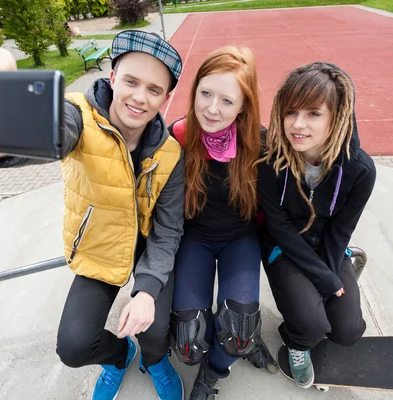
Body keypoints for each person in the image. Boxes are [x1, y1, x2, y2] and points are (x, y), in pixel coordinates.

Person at [0, 28, 186, 400]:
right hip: (101, 244)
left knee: (156, 328)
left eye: (154, 90)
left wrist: (148, 291)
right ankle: (121, 357)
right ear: (112, 77)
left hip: (147, 243)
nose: (139, 97)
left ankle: (154, 360)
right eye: (131, 82)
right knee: (73, 346)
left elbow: (169, 230)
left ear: (166, 98)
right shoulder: (79, 116)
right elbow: (55, 129)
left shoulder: (170, 152)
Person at [257, 62, 377, 389]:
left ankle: (344, 270)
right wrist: (322, 277)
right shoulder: (271, 160)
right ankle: (294, 343)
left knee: (348, 331)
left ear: (336, 116)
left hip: (329, 246)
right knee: (310, 327)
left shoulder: (360, 170)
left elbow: (340, 231)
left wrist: (327, 274)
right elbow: (279, 227)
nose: (298, 124)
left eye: (313, 114)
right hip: (285, 247)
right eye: (291, 112)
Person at [166, 46, 268, 400]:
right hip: (193, 239)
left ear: (244, 106)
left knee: (238, 334)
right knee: (189, 342)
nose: (212, 108)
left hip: (240, 238)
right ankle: (228, 339)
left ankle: (213, 374)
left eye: (227, 100)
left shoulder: (260, 144)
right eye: (205, 93)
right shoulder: (176, 137)